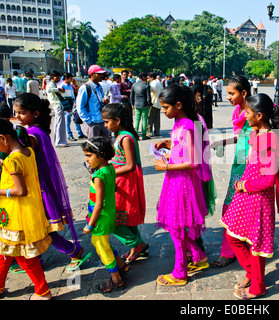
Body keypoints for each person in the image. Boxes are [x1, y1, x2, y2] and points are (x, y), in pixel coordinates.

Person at [221, 93, 279, 300]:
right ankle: (252, 273)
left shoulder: (268, 140)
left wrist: (243, 185)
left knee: (255, 244)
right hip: (246, 195)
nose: (245, 115)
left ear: (259, 115)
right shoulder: (257, 134)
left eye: (247, 112)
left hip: (257, 199)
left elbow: (268, 180)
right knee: (233, 236)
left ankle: (258, 285)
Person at [13, 93, 91, 271]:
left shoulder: (32, 135)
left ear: (35, 114)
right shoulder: (37, 131)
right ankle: (39, 257)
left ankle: (71, 250)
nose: (17, 116)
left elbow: (23, 156)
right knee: (39, 226)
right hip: (36, 185)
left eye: (22, 113)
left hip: (36, 187)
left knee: (43, 227)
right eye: (16, 112)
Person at [153, 84, 212, 286]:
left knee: (177, 227)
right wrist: (167, 145)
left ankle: (180, 272)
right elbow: (182, 147)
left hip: (183, 181)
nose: (163, 111)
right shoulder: (179, 122)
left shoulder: (188, 125)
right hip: (176, 179)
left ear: (178, 105)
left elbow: (195, 161)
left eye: (165, 108)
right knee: (174, 224)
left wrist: (166, 167)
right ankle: (198, 256)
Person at [0, 119, 52, 300]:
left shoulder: (12, 160)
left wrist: (1, 191)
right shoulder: (27, 151)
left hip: (17, 214)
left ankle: (43, 291)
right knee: (5, 253)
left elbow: (20, 190)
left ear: (3, 139)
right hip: (19, 212)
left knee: (22, 257)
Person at [210, 76, 254, 269]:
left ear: (243, 93)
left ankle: (247, 246)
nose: (227, 97)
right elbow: (241, 136)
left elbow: (262, 136)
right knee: (231, 204)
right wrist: (223, 141)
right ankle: (230, 249)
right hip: (239, 162)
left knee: (249, 205)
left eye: (231, 93)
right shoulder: (239, 111)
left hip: (253, 163)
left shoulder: (254, 111)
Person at [101, 103, 149, 264]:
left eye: (107, 122)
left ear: (117, 120)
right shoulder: (121, 135)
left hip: (124, 184)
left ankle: (137, 244)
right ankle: (136, 246)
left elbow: (130, 165)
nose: (105, 126)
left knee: (115, 220)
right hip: (120, 182)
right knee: (127, 218)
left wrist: (109, 172)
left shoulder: (126, 138)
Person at [81, 136, 129, 294]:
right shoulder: (109, 169)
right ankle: (121, 265)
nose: (87, 160)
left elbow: (98, 204)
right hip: (109, 214)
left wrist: (90, 224)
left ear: (101, 155)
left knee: (102, 248)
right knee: (101, 243)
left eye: (89, 156)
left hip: (100, 218)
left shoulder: (98, 176)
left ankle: (116, 279)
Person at [76, 65, 110, 139]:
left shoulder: (99, 87)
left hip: (102, 121)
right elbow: (80, 107)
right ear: (92, 75)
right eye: (99, 74)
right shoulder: (85, 88)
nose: (102, 76)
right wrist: (89, 121)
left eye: (102, 74)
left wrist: (104, 102)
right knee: (94, 147)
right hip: (93, 122)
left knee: (106, 145)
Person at [59, 72, 86, 141]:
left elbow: (76, 91)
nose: (71, 80)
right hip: (67, 104)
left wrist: (75, 84)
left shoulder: (71, 85)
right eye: (70, 78)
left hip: (73, 103)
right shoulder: (61, 86)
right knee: (68, 121)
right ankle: (69, 135)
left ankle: (80, 134)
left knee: (76, 119)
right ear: (66, 78)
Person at [45, 71, 68, 147]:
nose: (58, 79)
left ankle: (59, 140)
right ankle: (59, 142)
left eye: (59, 78)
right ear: (52, 78)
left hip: (58, 104)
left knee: (59, 123)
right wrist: (58, 89)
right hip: (56, 104)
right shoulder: (50, 84)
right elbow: (48, 90)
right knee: (60, 123)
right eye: (57, 78)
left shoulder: (54, 84)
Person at [131, 73, 152, 140]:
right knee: (144, 120)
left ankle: (135, 134)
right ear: (143, 77)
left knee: (136, 120)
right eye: (146, 76)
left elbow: (131, 96)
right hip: (144, 104)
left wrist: (132, 104)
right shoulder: (146, 86)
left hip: (136, 104)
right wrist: (150, 104)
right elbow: (149, 97)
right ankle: (143, 135)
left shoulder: (134, 85)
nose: (147, 78)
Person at [147, 73, 163, 138]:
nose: (148, 79)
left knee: (150, 118)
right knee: (157, 119)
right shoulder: (159, 83)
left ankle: (149, 132)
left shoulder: (153, 83)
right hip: (158, 103)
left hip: (153, 103)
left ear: (152, 77)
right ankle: (157, 132)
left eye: (149, 78)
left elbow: (152, 89)